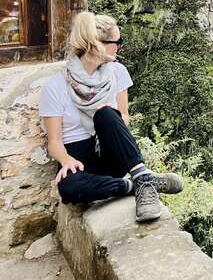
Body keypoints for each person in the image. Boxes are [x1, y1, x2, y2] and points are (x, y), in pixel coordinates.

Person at [40, 11, 183, 222]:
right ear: (95, 44)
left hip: (109, 151)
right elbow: (54, 142)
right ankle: (134, 185)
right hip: (79, 159)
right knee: (69, 188)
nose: (119, 47)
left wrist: (111, 114)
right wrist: (66, 159)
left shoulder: (118, 72)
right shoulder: (56, 85)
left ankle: (140, 175)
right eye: (116, 42)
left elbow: (124, 117)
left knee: (106, 114)